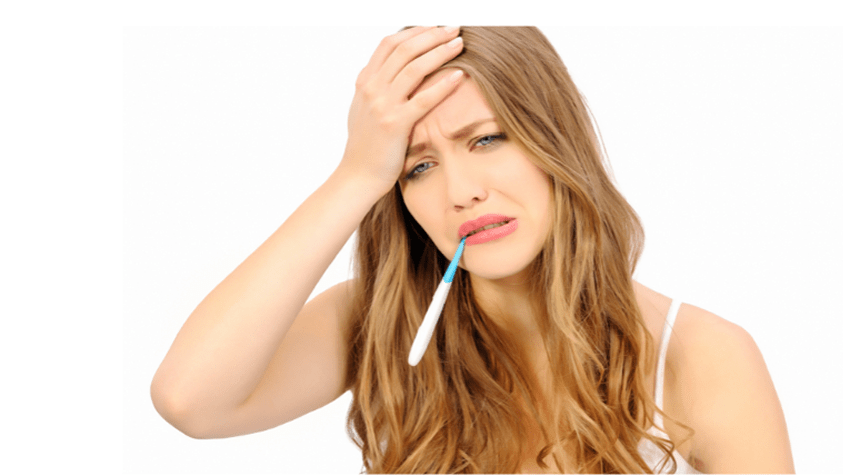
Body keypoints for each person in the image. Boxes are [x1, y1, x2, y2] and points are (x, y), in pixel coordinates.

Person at [150, 26, 794, 473]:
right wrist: (356, 175)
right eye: (418, 168)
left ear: (553, 143)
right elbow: (190, 402)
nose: (460, 193)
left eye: (486, 140)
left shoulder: (700, 357)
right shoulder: (380, 319)